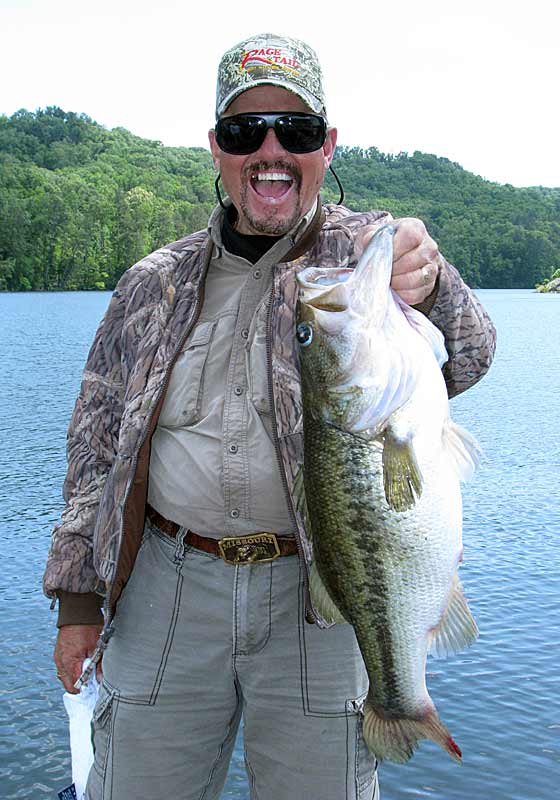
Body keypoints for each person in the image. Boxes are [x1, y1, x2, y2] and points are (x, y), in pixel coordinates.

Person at [44, 33, 496, 800]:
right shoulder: (152, 284)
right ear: (217, 148)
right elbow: (92, 450)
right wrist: (78, 604)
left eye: (298, 130)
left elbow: (472, 354)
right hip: (168, 586)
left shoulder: (366, 262)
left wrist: (433, 271)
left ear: (329, 146)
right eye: (245, 131)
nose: (271, 150)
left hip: (320, 593)